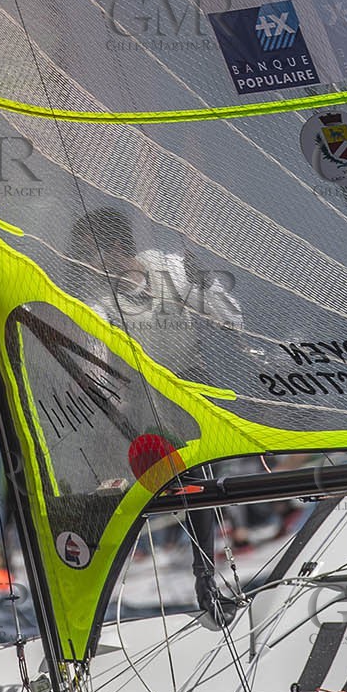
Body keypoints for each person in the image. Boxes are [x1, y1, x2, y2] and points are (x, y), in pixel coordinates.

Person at [72, 206, 245, 624]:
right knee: (103, 473)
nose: (83, 265)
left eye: (87, 254)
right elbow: (95, 363)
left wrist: (212, 296)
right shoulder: (98, 299)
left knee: (195, 471)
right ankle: (90, 578)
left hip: (189, 386)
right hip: (141, 400)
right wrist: (104, 403)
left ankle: (205, 576)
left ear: (114, 250)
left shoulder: (171, 268)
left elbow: (233, 319)